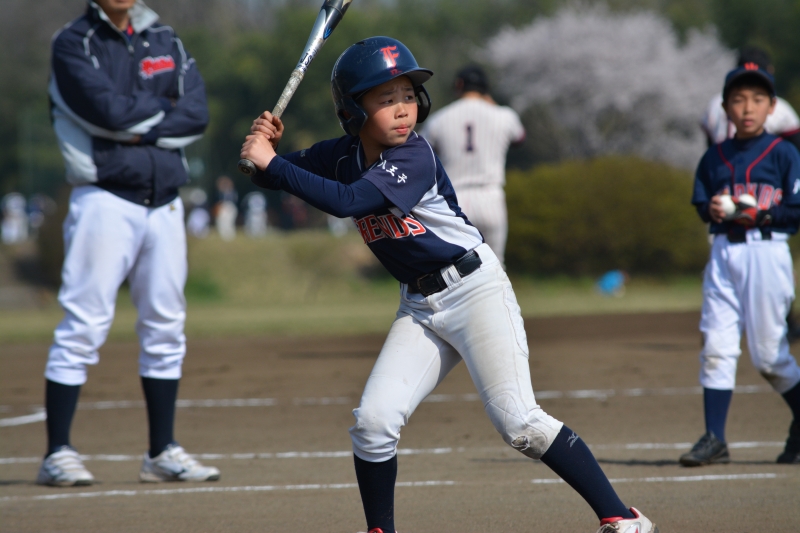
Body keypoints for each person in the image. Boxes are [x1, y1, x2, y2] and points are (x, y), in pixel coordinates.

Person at [240, 36, 657, 533]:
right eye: (385, 98)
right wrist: (264, 149)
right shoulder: (342, 154)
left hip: (475, 291)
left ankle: (623, 519)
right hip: (419, 306)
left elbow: (347, 202)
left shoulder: (413, 156)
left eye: (408, 95)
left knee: (520, 423)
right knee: (373, 423)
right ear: (352, 110)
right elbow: (270, 176)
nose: (403, 109)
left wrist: (271, 161)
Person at [39, 0, 219, 486]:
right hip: (103, 198)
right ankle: (57, 453)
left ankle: (161, 452)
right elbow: (106, 112)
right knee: (83, 324)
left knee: (166, 326)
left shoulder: (165, 37)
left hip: (165, 202)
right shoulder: (73, 42)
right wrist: (164, 114)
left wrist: (141, 127)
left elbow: (197, 113)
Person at [685, 63, 800, 467]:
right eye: (738, 99)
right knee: (716, 347)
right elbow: (702, 203)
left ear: (772, 106)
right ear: (725, 108)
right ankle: (714, 438)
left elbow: (796, 210)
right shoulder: (714, 157)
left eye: (757, 99)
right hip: (723, 253)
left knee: (769, 357)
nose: (747, 108)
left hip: (766, 253)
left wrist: (763, 215)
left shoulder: (785, 153)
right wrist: (713, 210)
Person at [422, 65, 525, 266]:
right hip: (490, 196)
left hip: (454, 200)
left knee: (455, 269)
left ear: (459, 85)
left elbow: (423, 152)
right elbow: (519, 138)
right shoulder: (504, 115)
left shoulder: (439, 119)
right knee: (496, 266)